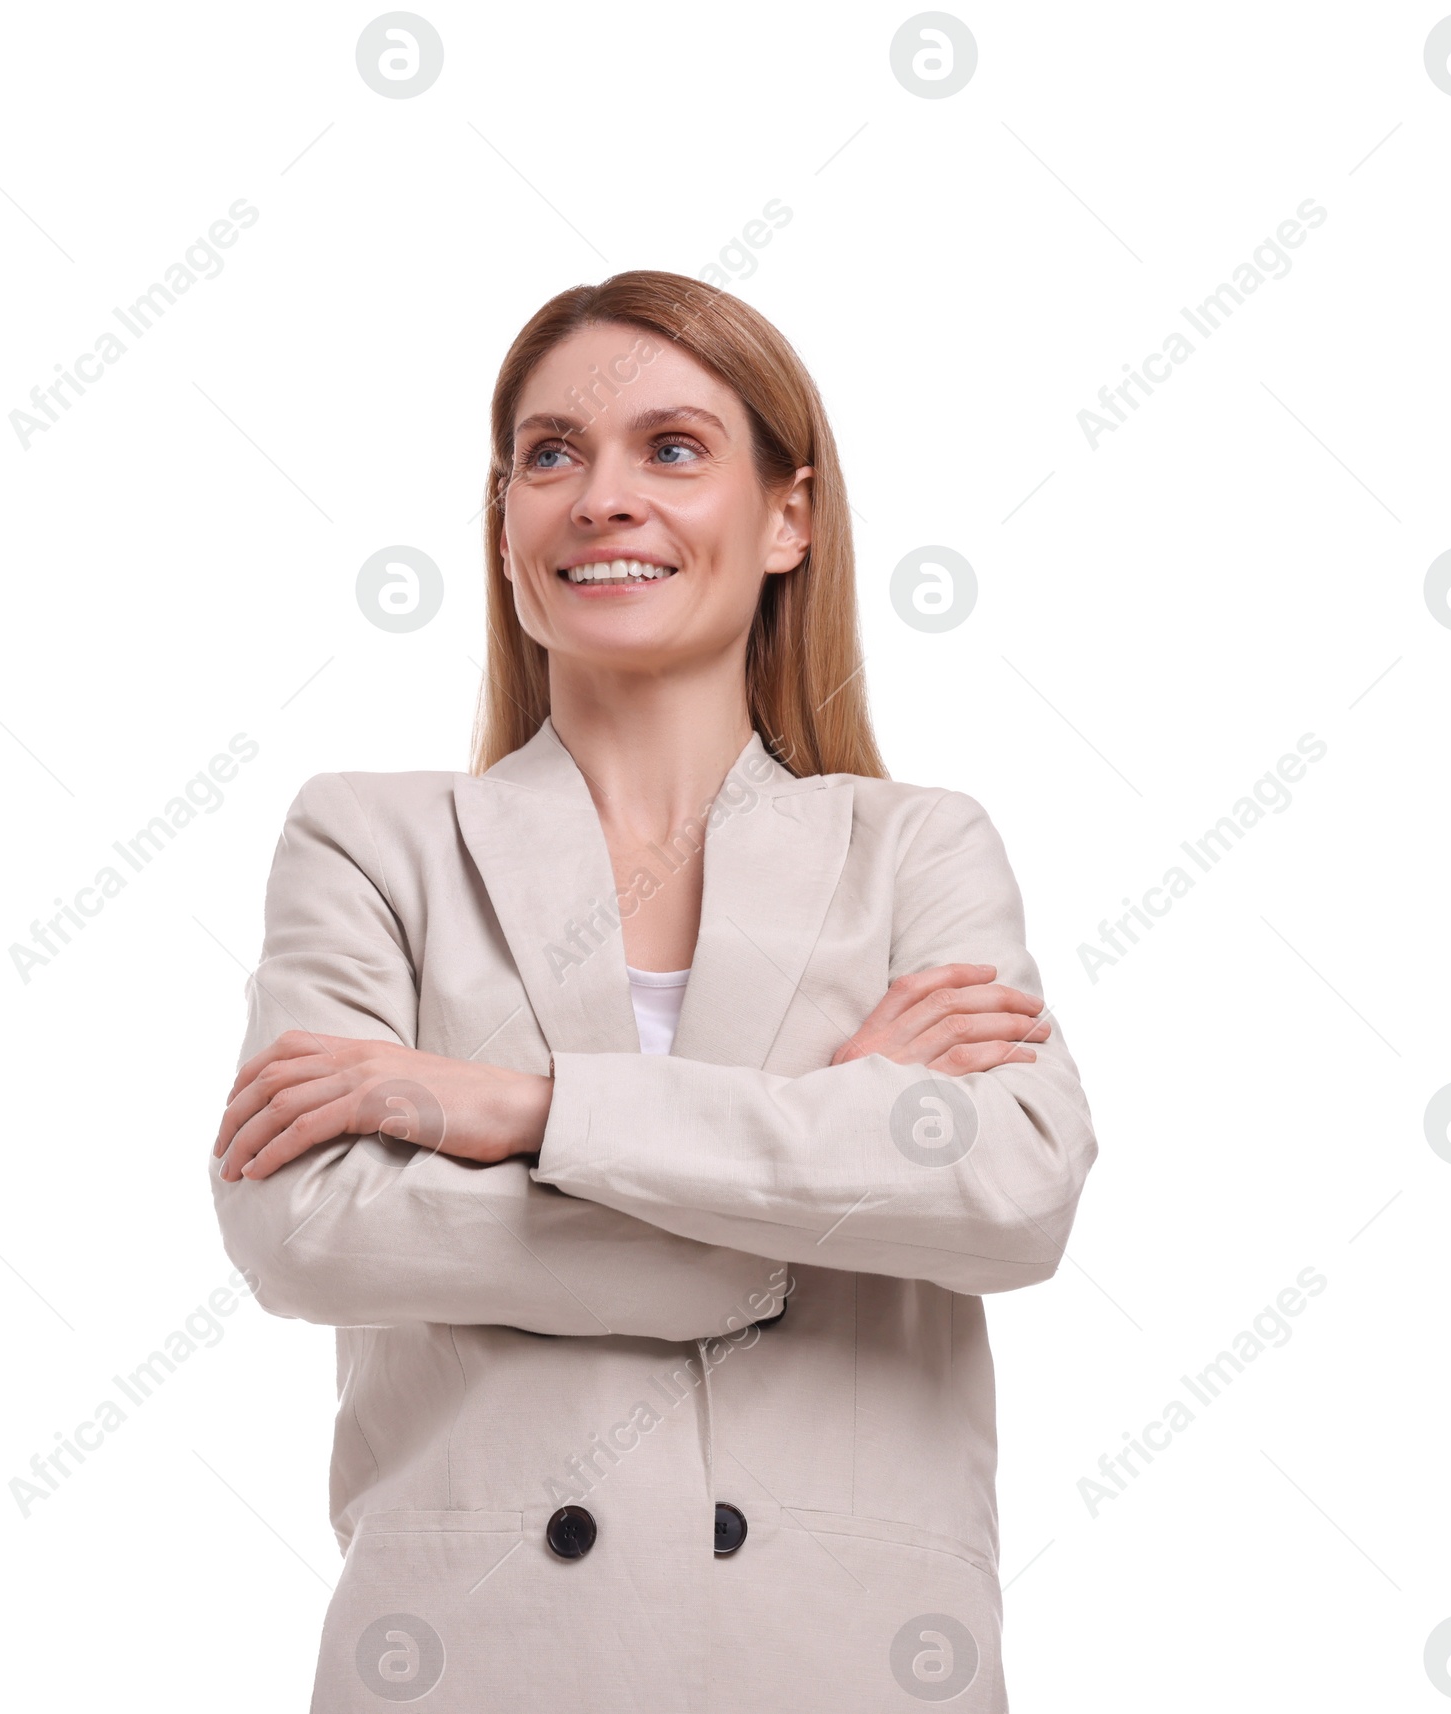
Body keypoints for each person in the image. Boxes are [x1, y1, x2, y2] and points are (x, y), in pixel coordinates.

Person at [210, 270, 1098, 1712]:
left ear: (788, 516)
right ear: (504, 522)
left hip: (846, 1661)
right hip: (474, 1660)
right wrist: (813, 1160)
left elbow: (1013, 1196)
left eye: (672, 450)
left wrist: (517, 1108)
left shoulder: (915, 846)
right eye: (551, 453)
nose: (601, 496)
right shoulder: (370, 835)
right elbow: (306, 1229)